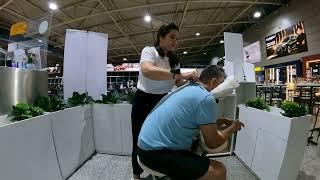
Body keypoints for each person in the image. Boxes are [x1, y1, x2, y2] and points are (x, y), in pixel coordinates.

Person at [137, 65, 244, 180]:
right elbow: (213, 142)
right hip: (156, 154)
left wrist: (219, 122)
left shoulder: (188, 88)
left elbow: (192, 120)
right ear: (213, 81)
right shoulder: (206, 98)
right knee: (218, 170)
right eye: (222, 83)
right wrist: (232, 128)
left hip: (144, 147)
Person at [131, 23, 198, 180]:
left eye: (177, 38)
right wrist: (180, 74)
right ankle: (136, 175)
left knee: (161, 138)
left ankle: (160, 169)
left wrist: (191, 81)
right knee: (139, 138)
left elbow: (177, 82)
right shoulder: (150, 51)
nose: (175, 41)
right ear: (161, 37)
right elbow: (148, 71)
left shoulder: (174, 61)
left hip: (163, 101)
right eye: (171, 37)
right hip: (144, 100)